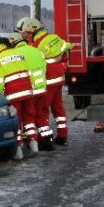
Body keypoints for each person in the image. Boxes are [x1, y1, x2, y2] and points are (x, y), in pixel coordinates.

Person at [20, 18, 72, 146]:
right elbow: (67, 46)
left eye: (26, 33)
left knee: (42, 110)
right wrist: (60, 56)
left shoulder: (36, 45)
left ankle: (45, 139)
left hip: (47, 81)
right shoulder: (53, 38)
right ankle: (62, 135)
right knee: (58, 108)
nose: (25, 36)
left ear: (33, 31)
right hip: (59, 79)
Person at [0, 36, 37, 160]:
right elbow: (29, 71)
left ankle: (18, 151)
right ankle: (34, 143)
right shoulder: (19, 53)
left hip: (13, 94)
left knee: (16, 121)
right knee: (29, 118)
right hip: (28, 91)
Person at [9, 32, 54, 152]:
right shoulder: (35, 50)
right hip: (42, 88)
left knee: (29, 116)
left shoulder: (17, 54)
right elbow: (44, 66)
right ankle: (47, 140)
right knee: (42, 114)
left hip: (30, 90)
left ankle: (33, 141)